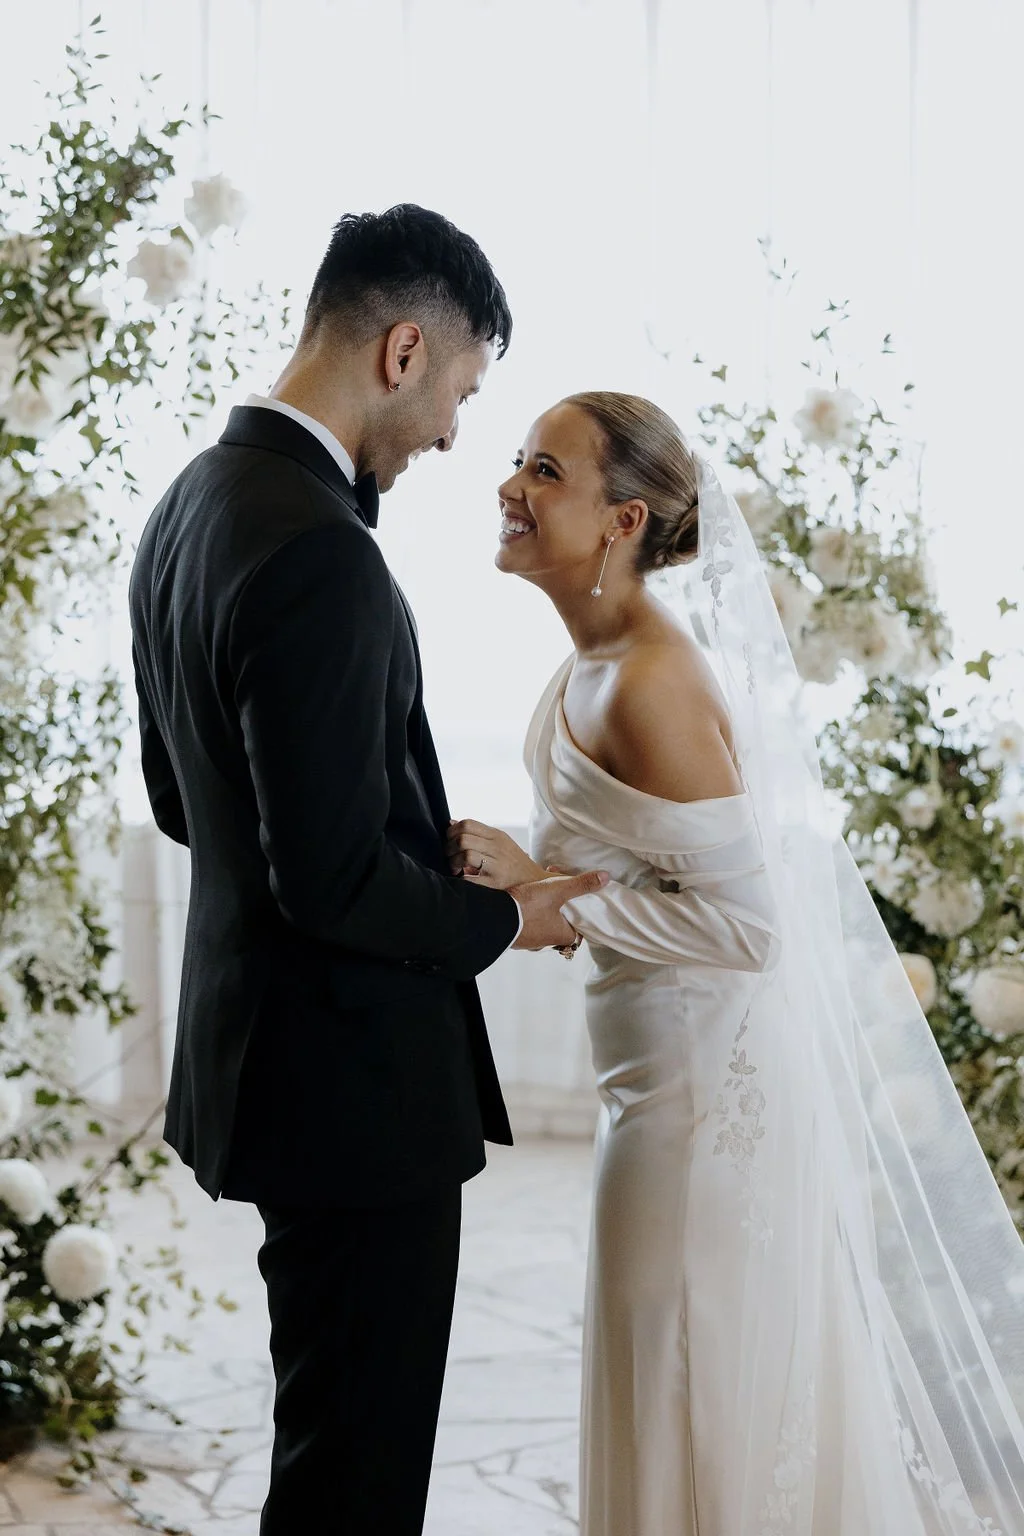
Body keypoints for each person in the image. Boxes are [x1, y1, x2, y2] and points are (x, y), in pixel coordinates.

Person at [448, 391, 1024, 1534]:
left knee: (687, 1372)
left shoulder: (654, 680)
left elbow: (750, 929)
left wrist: (545, 897)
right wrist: (534, 885)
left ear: (621, 521)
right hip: (651, 1089)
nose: (510, 486)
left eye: (545, 471)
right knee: (658, 1357)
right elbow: (629, 864)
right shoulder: (592, 658)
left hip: (707, 1113)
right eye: (518, 460)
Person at [128, 206, 608, 1536]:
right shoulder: (322, 552)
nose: (457, 434)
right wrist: (500, 914)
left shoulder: (188, 507)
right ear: (404, 351)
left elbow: (183, 801)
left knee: (325, 1436)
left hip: (270, 1073)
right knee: (357, 1477)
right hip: (351, 1092)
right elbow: (331, 881)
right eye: (460, 389)